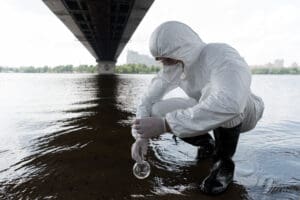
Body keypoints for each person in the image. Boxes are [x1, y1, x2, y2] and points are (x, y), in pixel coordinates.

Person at [131, 21, 264, 195]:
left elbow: (231, 102)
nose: (161, 62)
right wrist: (141, 137)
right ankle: (206, 143)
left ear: (182, 48)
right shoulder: (175, 65)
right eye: (159, 58)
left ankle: (222, 165)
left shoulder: (221, 54)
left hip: (246, 112)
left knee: (215, 95)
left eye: (166, 57)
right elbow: (147, 100)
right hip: (210, 105)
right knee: (156, 111)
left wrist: (166, 125)